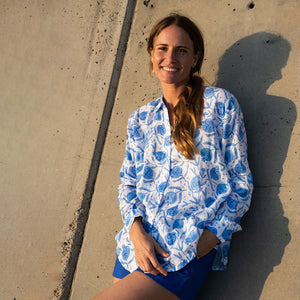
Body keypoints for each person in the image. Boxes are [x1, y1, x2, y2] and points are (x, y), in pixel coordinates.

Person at [91, 13, 253, 300]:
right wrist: (136, 234)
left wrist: (205, 242)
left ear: (195, 58)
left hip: (183, 251)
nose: (170, 57)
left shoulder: (220, 104)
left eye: (181, 50)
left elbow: (241, 186)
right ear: (152, 55)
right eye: (162, 48)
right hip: (135, 251)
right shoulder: (139, 119)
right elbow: (128, 186)